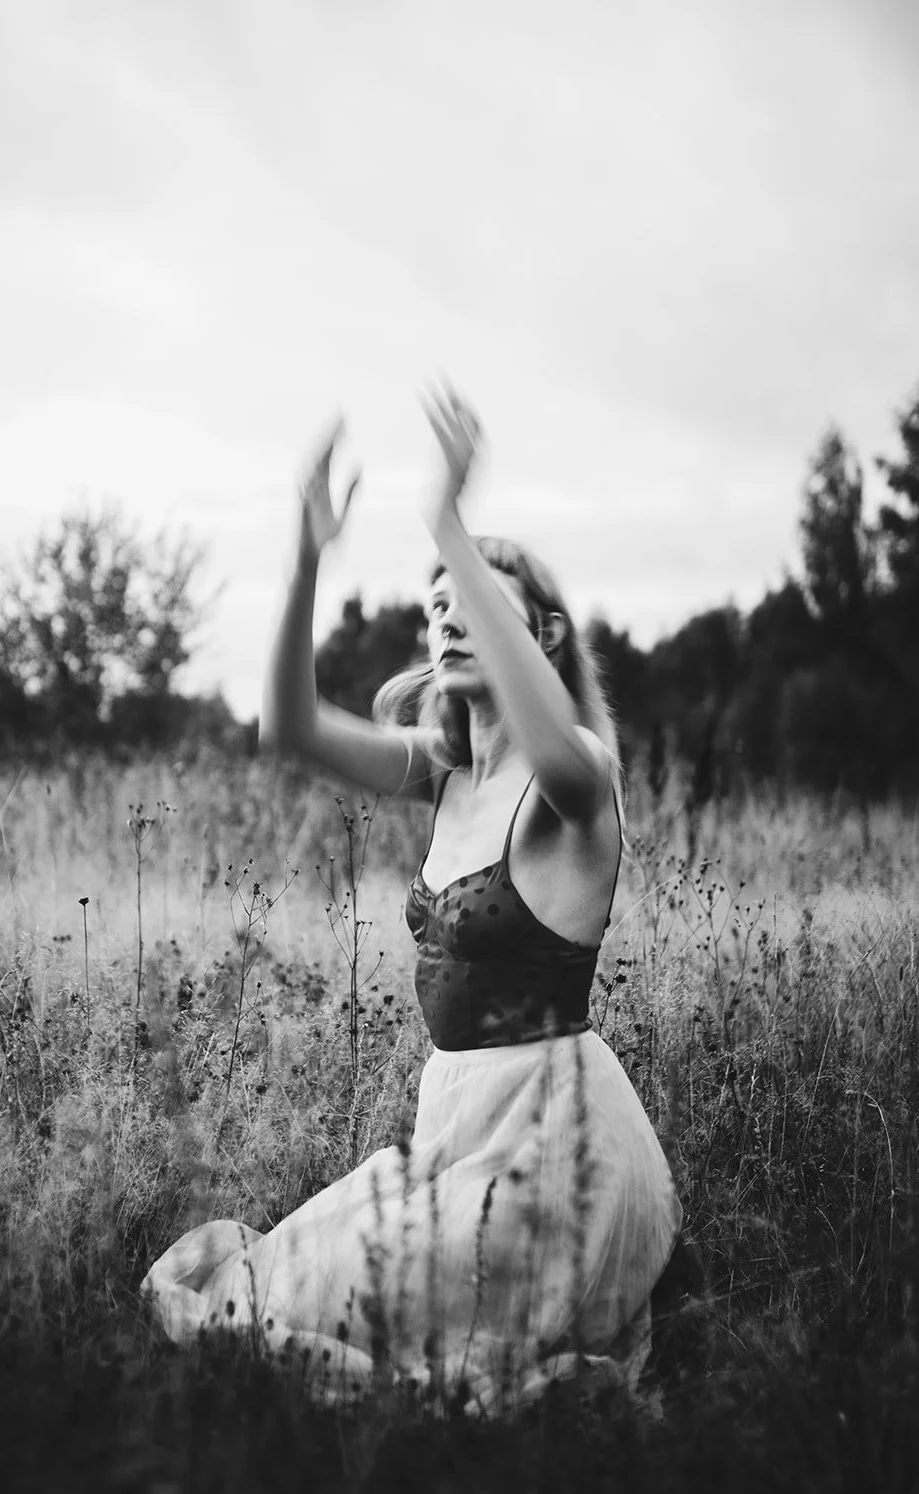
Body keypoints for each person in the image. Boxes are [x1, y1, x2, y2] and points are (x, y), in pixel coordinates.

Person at [141, 389, 682, 1412]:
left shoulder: (574, 778)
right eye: (437, 606)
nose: (451, 616)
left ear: (542, 635)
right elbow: (288, 728)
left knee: (381, 1336)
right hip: (453, 1132)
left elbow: (555, 745)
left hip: (553, 1149)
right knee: (272, 1288)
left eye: (478, 601)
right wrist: (306, 557)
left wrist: (447, 527)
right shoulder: (442, 768)